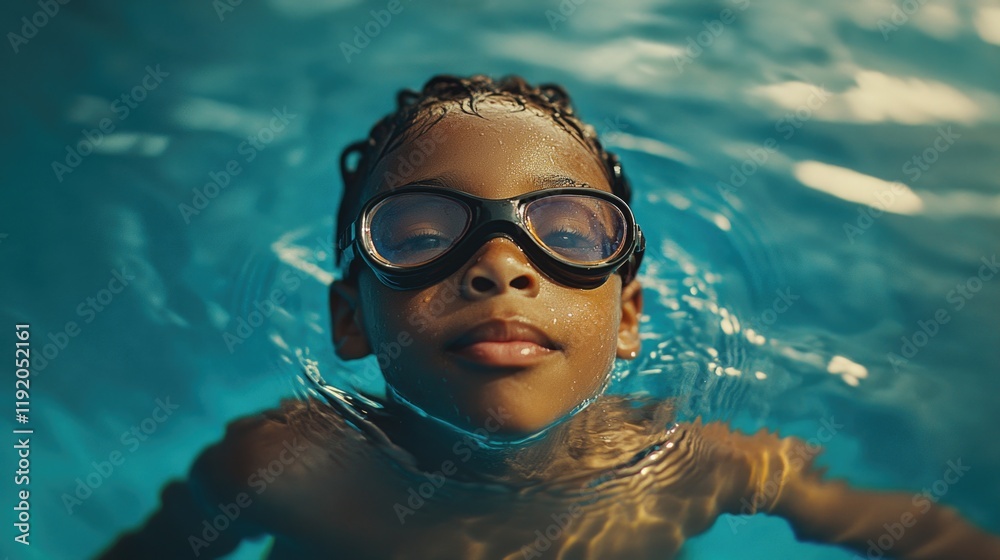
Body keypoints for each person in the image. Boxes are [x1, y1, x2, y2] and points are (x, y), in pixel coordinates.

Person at [98, 75, 1000, 559]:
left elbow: (922, 534)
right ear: (351, 320)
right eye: (418, 235)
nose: (498, 264)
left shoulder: (697, 470)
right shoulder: (278, 466)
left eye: (565, 233)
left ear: (629, 317)